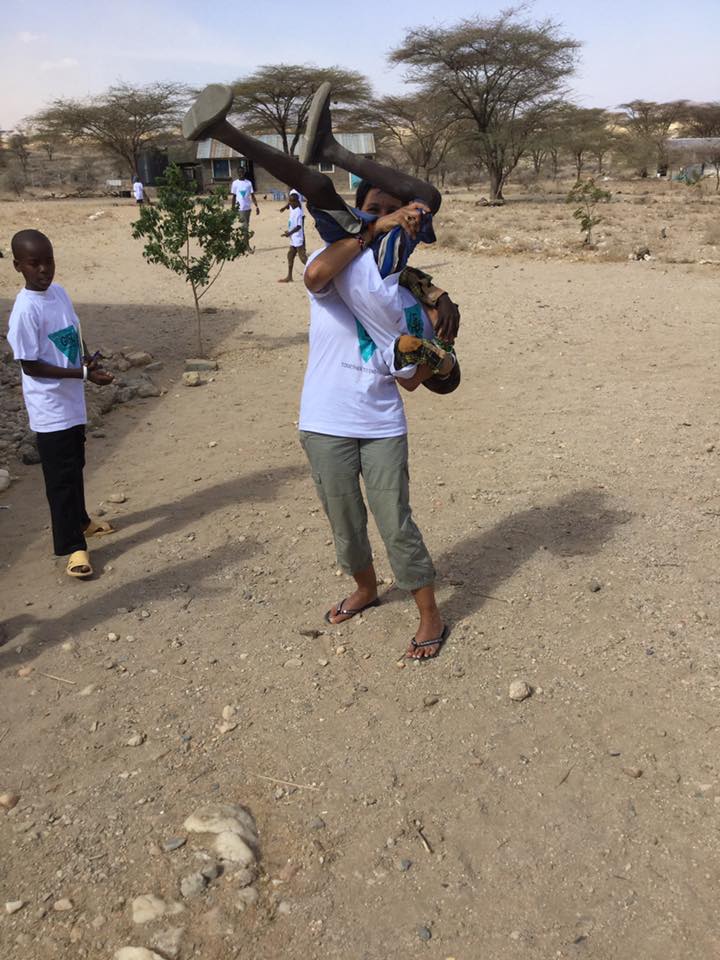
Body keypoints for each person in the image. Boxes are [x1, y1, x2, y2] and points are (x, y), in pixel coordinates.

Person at [183, 83, 460, 392]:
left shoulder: (407, 354)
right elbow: (406, 279)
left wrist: (436, 348)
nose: (384, 213)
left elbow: (420, 377)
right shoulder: (406, 277)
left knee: (321, 189)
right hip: (379, 256)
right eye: (375, 208)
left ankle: (226, 131)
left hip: (362, 245)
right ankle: (321, 148)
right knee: (425, 196)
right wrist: (440, 296)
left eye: (389, 210)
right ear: (360, 210)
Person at [6, 230, 116, 579]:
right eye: (34, 264)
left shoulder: (59, 294)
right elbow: (30, 365)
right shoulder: (25, 310)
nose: (44, 270)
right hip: (49, 407)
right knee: (61, 479)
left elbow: (74, 329)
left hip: (71, 402)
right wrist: (82, 373)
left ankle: (81, 521)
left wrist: (88, 359)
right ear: (18, 266)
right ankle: (72, 548)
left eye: (48, 261)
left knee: (76, 462)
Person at [278, 192, 307, 283]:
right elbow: (293, 224)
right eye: (289, 201)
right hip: (293, 238)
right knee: (290, 255)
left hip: (298, 238)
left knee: (303, 258)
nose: (289, 203)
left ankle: (316, 272)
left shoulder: (298, 211)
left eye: (291, 201)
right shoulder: (293, 210)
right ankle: (289, 276)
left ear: (295, 202)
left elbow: (298, 226)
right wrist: (289, 232)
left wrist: (289, 233)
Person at [229, 168, 260, 232]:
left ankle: (245, 241)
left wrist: (257, 206)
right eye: (240, 172)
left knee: (246, 225)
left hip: (248, 208)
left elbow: (252, 196)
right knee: (244, 226)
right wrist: (233, 208)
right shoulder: (235, 183)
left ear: (244, 173)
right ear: (238, 173)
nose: (241, 174)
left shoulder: (248, 183)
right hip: (240, 208)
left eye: (242, 172)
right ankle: (245, 241)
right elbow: (234, 197)